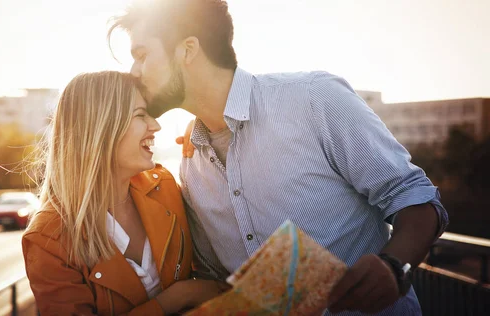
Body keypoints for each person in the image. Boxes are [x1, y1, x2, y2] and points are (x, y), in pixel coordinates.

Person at [108, 0, 449, 315]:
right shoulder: (191, 166)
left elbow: (417, 198)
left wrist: (394, 265)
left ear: (188, 49)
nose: (135, 71)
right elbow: (216, 278)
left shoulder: (314, 99)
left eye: (141, 54)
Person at [21, 71, 226, 316]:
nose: (156, 125)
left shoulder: (163, 186)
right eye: (141, 115)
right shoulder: (47, 237)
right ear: (101, 127)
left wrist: (208, 131)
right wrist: (176, 298)